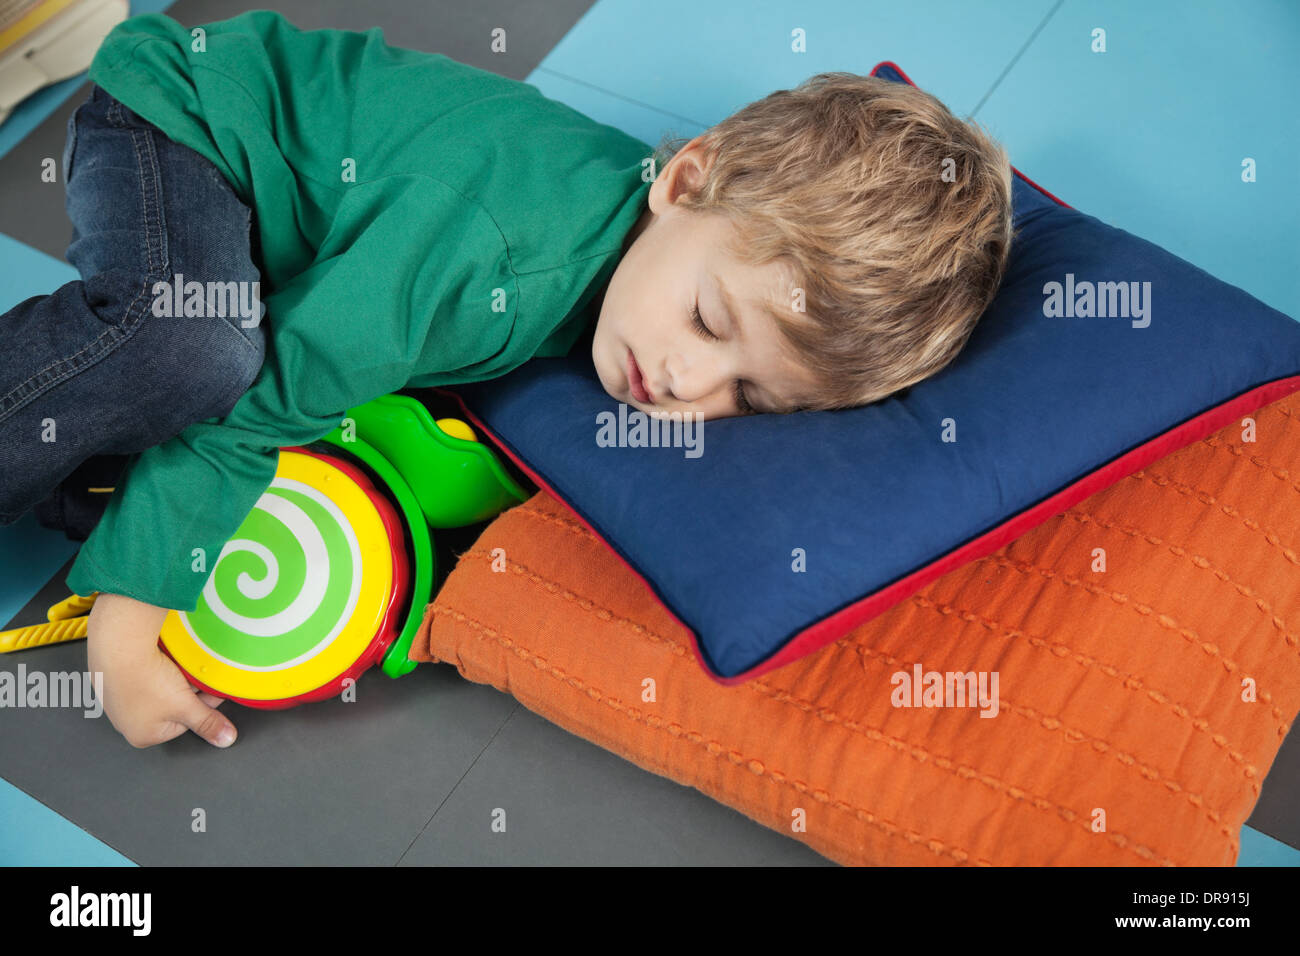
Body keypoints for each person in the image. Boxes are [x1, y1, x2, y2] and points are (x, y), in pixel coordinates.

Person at [0, 11, 1013, 750]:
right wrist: (128, 624)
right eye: (709, 321)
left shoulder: (667, 245)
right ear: (685, 180)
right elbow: (256, 404)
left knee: (131, 458)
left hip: (314, 210)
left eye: (749, 395)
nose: (684, 380)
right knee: (194, 353)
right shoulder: (489, 260)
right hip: (189, 122)